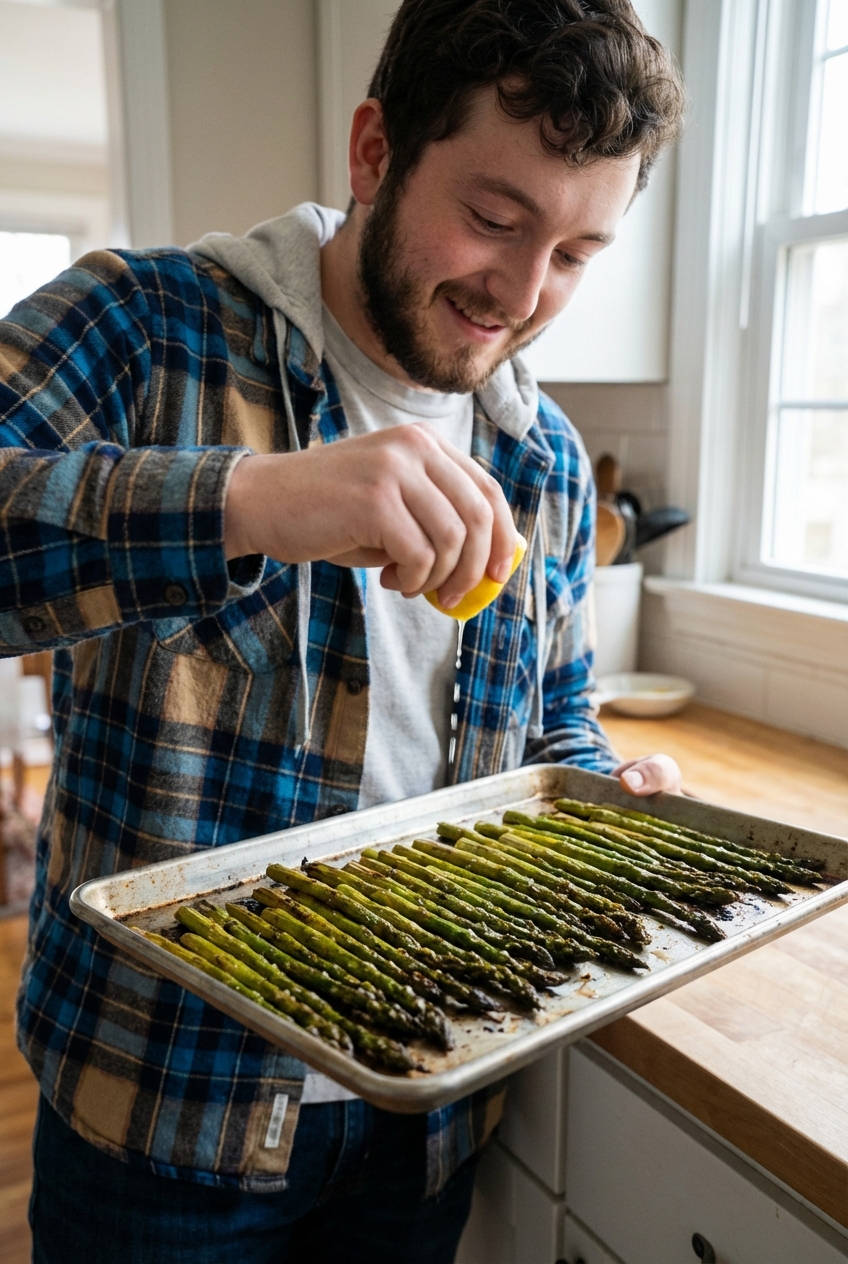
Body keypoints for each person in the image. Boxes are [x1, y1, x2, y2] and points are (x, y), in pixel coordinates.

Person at [2, 1, 685, 1260]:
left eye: (577, 253)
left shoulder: (543, 462)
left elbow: (551, 725)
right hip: (162, 1117)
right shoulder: (147, 328)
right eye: (493, 218)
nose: (522, 296)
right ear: (374, 151)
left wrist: (604, 796)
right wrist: (245, 500)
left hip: (421, 1115)